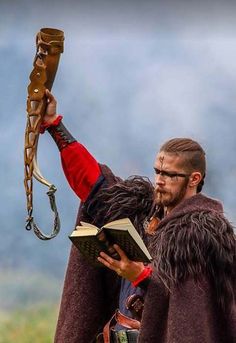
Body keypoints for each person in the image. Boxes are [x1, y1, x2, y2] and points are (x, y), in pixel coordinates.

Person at [42, 90, 235, 343]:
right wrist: (55, 126)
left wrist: (141, 276)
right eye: (157, 171)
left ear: (194, 179)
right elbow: (95, 185)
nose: (159, 181)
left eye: (169, 175)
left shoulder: (203, 235)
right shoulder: (141, 210)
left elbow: (190, 306)